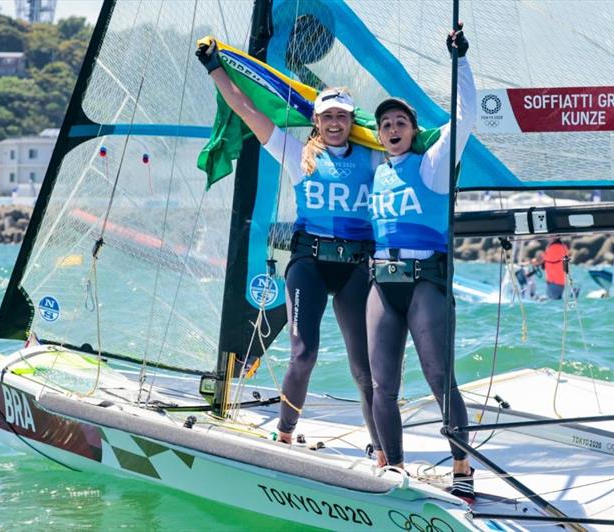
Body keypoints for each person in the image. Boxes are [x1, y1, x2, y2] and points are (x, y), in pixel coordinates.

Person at [196, 39, 385, 466]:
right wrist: (215, 69)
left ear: (351, 121)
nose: (335, 123)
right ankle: (284, 435)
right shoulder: (297, 153)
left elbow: (413, 141)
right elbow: (247, 110)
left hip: (356, 266)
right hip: (309, 264)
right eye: (327, 116)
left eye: (342, 116)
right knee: (304, 353)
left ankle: (381, 447)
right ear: (315, 119)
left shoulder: (374, 158)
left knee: (364, 366)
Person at [366, 25, 475, 502]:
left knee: (437, 377)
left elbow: (465, 117)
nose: (393, 129)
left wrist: (460, 62)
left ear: (413, 131)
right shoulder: (376, 173)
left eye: (401, 123)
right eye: (385, 124)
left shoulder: (431, 164)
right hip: (380, 285)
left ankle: (462, 465)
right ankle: (393, 468)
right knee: (381, 385)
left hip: (425, 282)